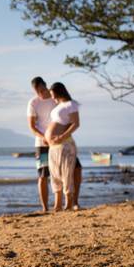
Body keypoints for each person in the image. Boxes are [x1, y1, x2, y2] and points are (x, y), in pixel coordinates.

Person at [44, 82, 81, 211]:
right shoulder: (58, 106)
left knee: (66, 173)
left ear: (59, 92)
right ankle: (57, 204)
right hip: (53, 146)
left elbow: (76, 124)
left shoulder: (71, 104)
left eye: (53, 94)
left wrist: (61, 136)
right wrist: (47, 138)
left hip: (65, 144)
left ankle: (69, 203)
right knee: (55, 174)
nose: (51, 96)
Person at [26, 77, 56, 212]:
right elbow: (32, 126)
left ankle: (59, 205)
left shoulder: (55, 98)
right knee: (43, 175)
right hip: (41, 143)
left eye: (42, 90)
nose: (40, 93)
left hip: (57, 141)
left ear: (46, 85)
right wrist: (44, 137)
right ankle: (45, 208)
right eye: (37, 91)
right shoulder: (33, 103)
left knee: (58, 174)